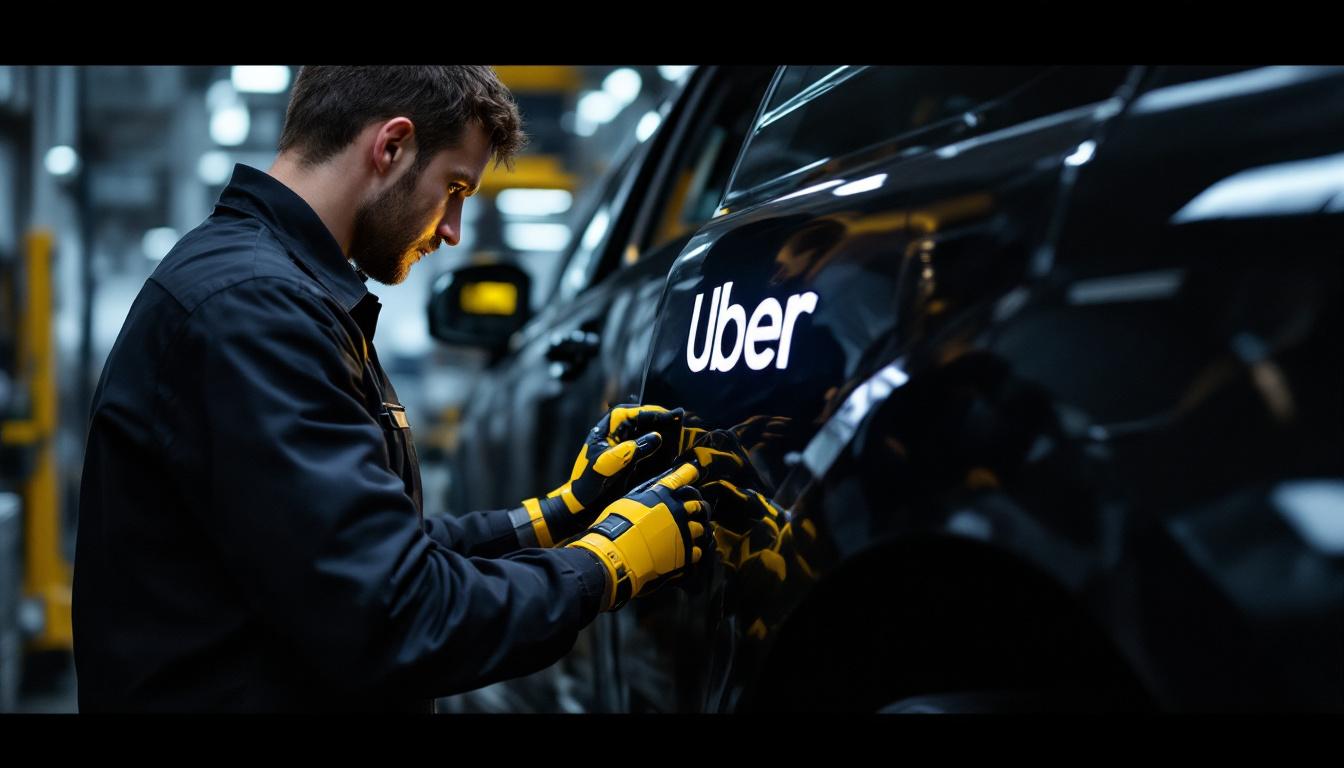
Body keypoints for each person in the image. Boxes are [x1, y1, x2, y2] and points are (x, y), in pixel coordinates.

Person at [72, 65, 710, 713]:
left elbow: (353, 549)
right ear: (392, 146)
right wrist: (608, 564)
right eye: (454, 188)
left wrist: (554, 517)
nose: (453, 228)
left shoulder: (272, 292)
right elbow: (395, 611)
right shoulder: (256, 309)